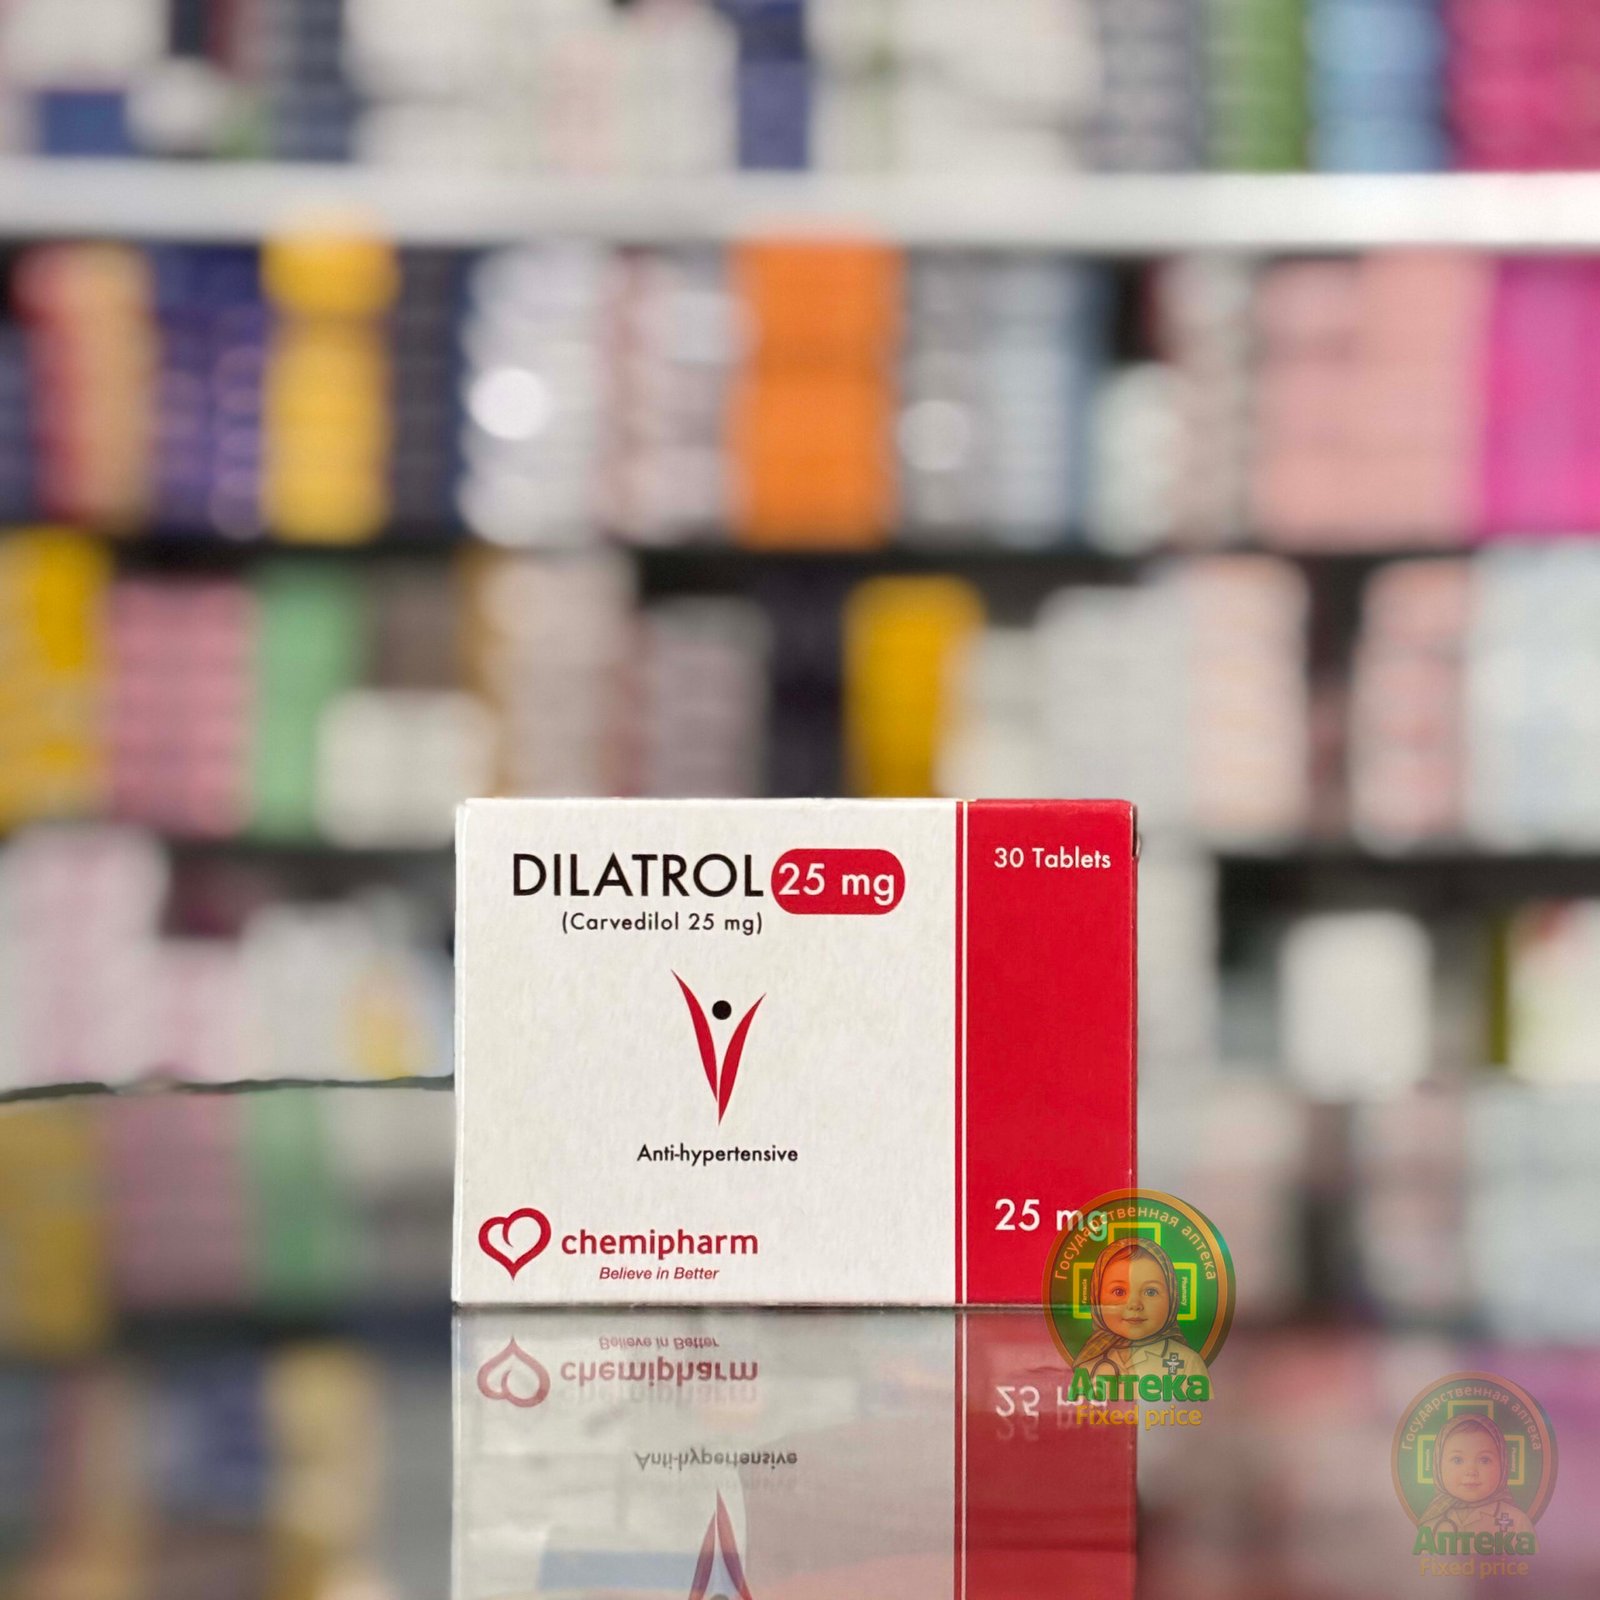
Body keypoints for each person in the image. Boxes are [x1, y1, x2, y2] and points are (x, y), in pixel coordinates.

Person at [1074, 1238, 1208, 1385]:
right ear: (1096, 1296)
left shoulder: (1188, 1362)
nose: (1134, 1304)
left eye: (1150, 1292)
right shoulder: (1088, 1362)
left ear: (1172, 1298)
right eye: (1119, 1291)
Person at [1419, 1414, 1535, 1537]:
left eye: (1484, 1460)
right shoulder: (1430, 1521)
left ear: (1503, 1464)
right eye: (1457, 1460)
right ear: (1438, 1466)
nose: (1471, 1471)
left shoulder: (1518, 1521)